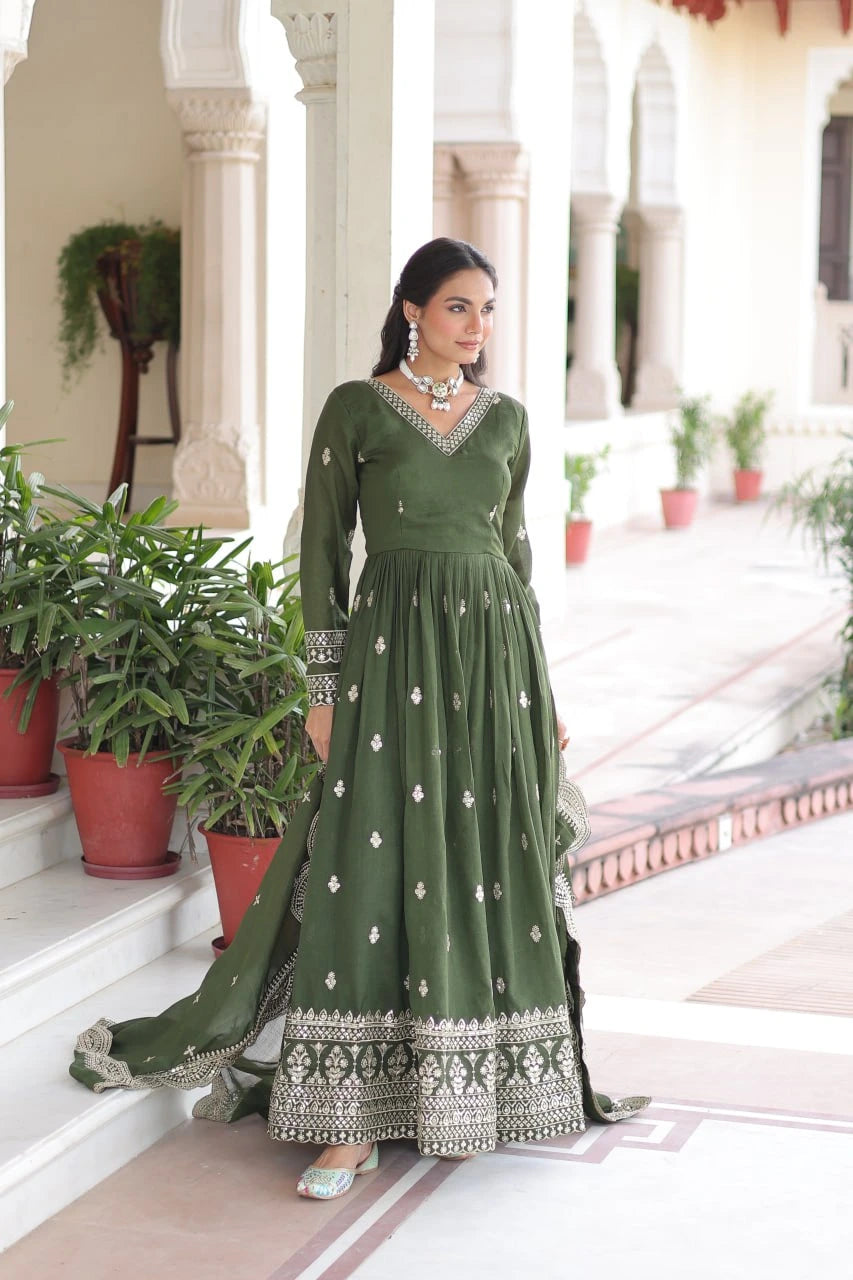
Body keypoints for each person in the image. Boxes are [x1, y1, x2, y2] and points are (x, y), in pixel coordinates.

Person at [70, 237, 647, 1200]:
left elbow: (516, 558)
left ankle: (483, 1087)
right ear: (413, 310)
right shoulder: (355, 410)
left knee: (481, 858)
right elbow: (322, 556)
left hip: (494, 663)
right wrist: (325, 689)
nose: (477, 329)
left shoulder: (507, 420)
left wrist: (540, 695)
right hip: (390, 663)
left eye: (488, 310)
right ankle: (350, 1122)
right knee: (372, 863)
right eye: (460, 307)